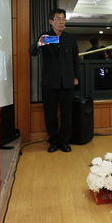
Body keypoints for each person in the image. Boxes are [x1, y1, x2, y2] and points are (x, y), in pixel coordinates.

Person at [29, 8, 80, 153]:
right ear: (51, 22)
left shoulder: (70, 38)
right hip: (49, 83)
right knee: (50, 114)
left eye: (63, 18)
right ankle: (53, 141)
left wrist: (76, 77)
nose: (61, 21)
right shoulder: (46, 37)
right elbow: (32, 52)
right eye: (58, 18)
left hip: (67, 82)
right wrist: (39, 44)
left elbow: (76, 59)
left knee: (66, 114)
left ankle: (64, 141)